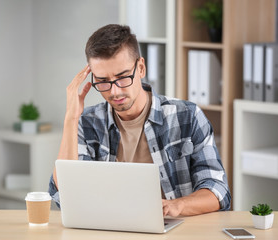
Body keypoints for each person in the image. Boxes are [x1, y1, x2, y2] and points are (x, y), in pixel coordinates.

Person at [49, 24, 231, 217]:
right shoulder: (87, 122)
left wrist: (177, 205)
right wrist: (71, 118)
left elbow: (217, 190)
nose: (114, 91)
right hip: (108, 229)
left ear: (141, 68)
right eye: (103, 81)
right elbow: (65, 194)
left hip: (175, 229)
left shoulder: (187, 115)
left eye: (122, 77)